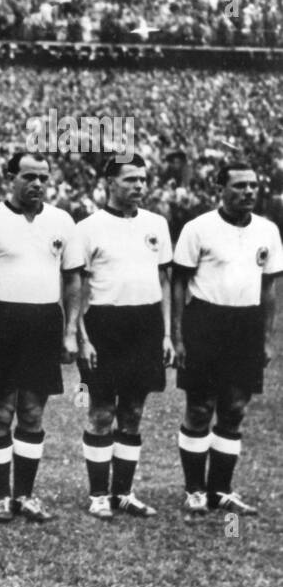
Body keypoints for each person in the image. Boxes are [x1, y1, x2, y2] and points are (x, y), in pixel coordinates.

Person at [0, 152, 82, 524]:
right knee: (1, 411)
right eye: (29, 177)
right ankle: (0, 496)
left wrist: (69, 332)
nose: (37, 184)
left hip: (45, 321)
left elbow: (74, 279)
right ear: (11, 178)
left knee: (33, 411)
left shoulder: (61, 221)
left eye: (43, 178)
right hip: (2, 321)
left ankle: (26, 495)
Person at [172, 160, 282, 519]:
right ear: (220, 189)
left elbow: (269, 287)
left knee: (234, 410)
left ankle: (221, 489)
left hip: (246, 324)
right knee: (200, 407)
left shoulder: (267, 231)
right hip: (205, 320)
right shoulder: (198, 228)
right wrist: (177, 336)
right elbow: (178, 284)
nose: (248, 192)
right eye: (239, 186)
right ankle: (194, 489)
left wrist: (266, 338)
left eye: (252, 185)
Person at [74, 156, 171, 520]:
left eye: (143, 180)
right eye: (131, 179)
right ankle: (99, 494)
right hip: (104, 324)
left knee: (133, 411)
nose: (139, 187)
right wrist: (82, 336)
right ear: (109, 183)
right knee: (101, 411)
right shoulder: (88, 228)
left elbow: (163, 280)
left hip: (145, 323)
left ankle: (124, 493)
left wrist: (165, 334)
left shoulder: (156, 224)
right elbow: (77, 287)